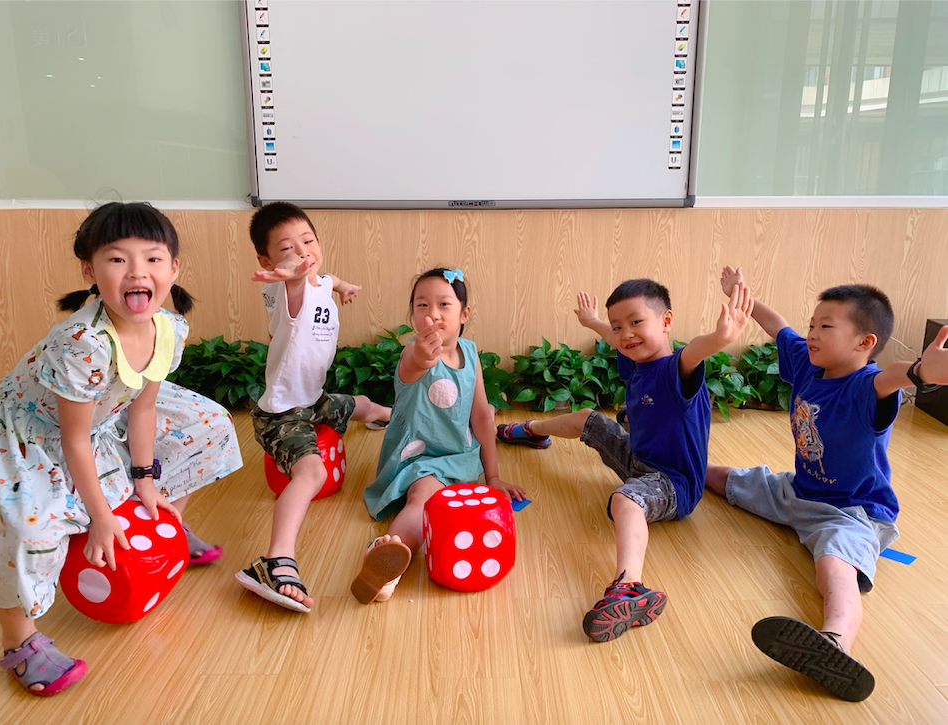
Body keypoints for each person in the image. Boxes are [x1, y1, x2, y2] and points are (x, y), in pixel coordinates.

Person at [0, 201, 242, 696]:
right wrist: (101, 516)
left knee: (208, 424)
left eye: (152, 258)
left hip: (109, 408)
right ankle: (20, 641)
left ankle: (159, 526)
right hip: (35, 431)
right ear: (90, 270)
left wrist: (144, 482)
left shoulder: (168, 328)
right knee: (31, 527)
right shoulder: (81, 342)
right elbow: (72, 438)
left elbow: (143, 408)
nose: (137, 272)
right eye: (118, 259)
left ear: (173, 269)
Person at [706, 266, 948, 702]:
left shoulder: (868, 386)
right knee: (719, 476)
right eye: (813, 324)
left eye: (826, 327)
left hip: (852, 513)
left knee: (834, 567)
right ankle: (662, 462)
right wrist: (742, 296)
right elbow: (778, 326)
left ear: (864, 342)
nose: (813, 334)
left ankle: (835, 641)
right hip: (798, 492)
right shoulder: (808, 362)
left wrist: (922, 371)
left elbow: (895, 375)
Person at [498, 279, 753, 642]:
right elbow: (616, 337)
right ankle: (531, 430)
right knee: (586, 418)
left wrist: (720, 339)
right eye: (618, 326)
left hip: (672, 485)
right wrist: (593, 323)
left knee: (625, 500)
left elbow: (695, 352)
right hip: (638, 459)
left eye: (636, 322)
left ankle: (629, 586)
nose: (625, 334)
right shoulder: (636, 359)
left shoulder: (675, 369)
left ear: (666, 321)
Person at [236, 202, 391, 613]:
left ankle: (390, 418)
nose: (303, 253)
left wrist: (345, 286)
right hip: (283, 414)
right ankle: (275, 562)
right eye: (288, 248)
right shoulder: (287, 290)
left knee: (362, 405)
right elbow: (297, 277)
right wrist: (291, 272)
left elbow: (326, 278)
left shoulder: (318, 280)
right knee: (313, 473)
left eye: (308, 242)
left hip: (312, 400)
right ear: (267, 261)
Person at [352, 268, 525, 604]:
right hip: (419, 457)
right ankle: (390, 555)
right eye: (422, 305)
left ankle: (390, 557)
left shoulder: (470, 352)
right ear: (413, 315)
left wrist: (493, 476)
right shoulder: (413, 353)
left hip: (459, 453)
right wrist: (423, 356)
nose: (432, 314)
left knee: (487, 414)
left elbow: (480, 417)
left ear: (464, 314)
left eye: (444, 304)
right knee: (424, 501)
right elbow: (415, 364)